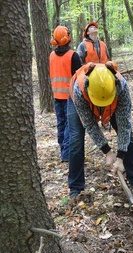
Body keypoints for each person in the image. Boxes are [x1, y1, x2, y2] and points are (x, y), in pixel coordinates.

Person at [67, 62, 133, 199]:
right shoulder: (79, 89)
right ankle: (75, 187)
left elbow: (124, 124)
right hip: (78, 100)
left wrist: (120, 157)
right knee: (76, 140)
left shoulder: (122, 87)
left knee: (127, 134)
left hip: (114, 103)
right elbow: (89, 124)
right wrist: (107, 151)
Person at [49, 25, 82, 161]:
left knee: (61, 123)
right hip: (70, 97)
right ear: (68, 38)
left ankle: (63, 149)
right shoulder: (73, 55)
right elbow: (80, 77)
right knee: (69, 124)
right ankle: (66, 153)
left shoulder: (51, 55)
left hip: (57, 96)